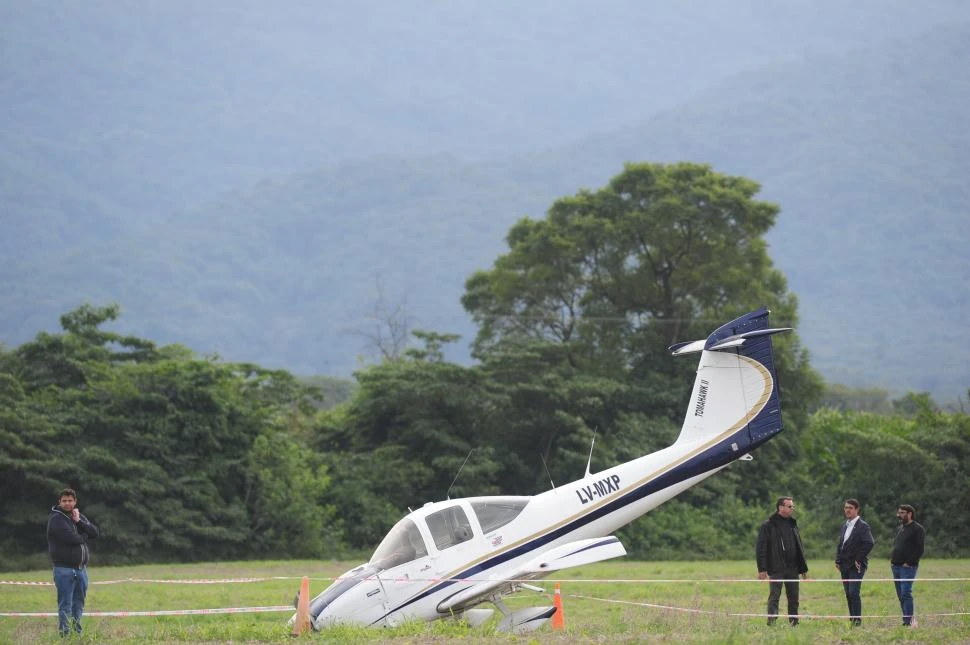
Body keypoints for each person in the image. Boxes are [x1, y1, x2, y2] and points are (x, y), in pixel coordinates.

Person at [47, 488, 99, 636]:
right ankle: (65, 635)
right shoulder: (55, 519)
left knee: (78, 604)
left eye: (70, 500)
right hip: (64, 569)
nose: (67, 503)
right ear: (59, 502)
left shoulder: (78, 516)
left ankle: (77, 633)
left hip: (81, 569)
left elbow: (94, 533)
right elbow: (72, 539)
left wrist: (79, 522)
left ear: (75, 501)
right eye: (64, 501)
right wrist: (84, 535)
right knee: (65, 605)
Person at [756, 496, 808, 626]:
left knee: (794, 597)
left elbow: (799, 547)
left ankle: (794, 622)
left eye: (792, 506)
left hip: (793, 568)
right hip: (776, 567)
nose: (792, 508)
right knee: (774, 596)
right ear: (781, 507)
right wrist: (762, 569)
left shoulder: (792, 524)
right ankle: (772, 622)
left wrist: (803, 569)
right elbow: (761, 548)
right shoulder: (768, 525)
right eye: (790, 506)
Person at [834, 498, 875, 626]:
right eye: (846, 508)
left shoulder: (863, 526)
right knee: (848, 594)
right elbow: (841, 544)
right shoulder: (844, 525)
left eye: (850, 508)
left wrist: (859, 558)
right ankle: (852, 619)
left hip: (856, 565)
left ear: (857, 509)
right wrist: (837, 560)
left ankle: (857, 621)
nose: (847, 510)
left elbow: (869, 543)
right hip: (844, 565)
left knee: (853, 592)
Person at [890, 503, 925, 627]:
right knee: (900, 595)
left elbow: (920, 549)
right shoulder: (900, 528)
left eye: (902, 513)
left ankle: (909, 621)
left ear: (910, 514)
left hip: (907, 567)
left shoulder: (918, 529)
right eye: (898, 513)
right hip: (895, 566)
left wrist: (909, 562)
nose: (899, 515)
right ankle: (906, 619)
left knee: (905, 593)